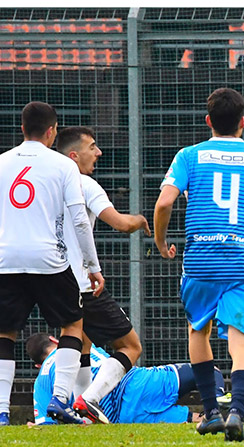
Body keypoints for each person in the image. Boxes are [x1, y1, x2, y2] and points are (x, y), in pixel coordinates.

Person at [153, 87, 244, 441]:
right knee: (241, 341)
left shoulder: (189, 156)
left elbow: (163, 204)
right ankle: (238, 413)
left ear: (208, 122)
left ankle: (211, 411)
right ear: (243, 123)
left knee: (197, 331)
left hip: (201, 260)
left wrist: (159, 241)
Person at [0, 101, 104, 426]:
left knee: (5, 333)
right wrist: (91, 264)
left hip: (7, 258)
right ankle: (60, 400)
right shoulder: (63, 166)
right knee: (73, 325)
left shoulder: (2, 163)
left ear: (21, 130)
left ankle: (1, 411)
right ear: (51, 131)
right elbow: (79, 218)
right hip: (49, 259)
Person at [55, 126, 149, 424]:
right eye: (92, 147)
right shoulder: (84, 184)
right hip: (82, 282)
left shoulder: (47, 183)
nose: (98, 153)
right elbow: (120, 223)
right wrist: (141, 220)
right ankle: (90, 400)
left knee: (79, 342)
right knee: (131, 346)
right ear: (74, 155)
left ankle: (75, 410)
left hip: (52, 279)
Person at [27, 332, 223, 425]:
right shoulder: (83, 345)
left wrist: (35, 426)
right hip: (136, 384)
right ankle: (218, 406)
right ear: (55, 339)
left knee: (189, 421)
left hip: (119, 418)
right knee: (210, 372)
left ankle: (207, 416)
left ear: (38, 365)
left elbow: (47, 424)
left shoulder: (41, 382)